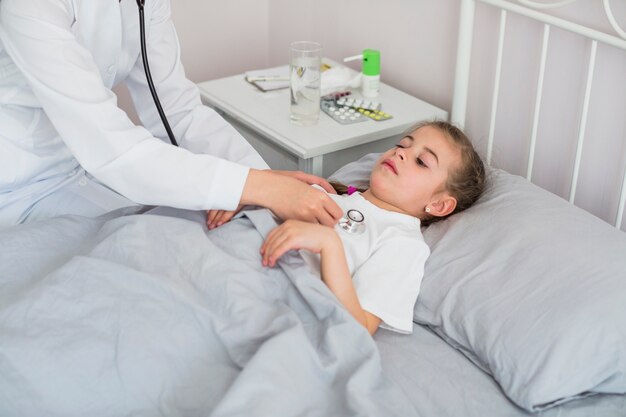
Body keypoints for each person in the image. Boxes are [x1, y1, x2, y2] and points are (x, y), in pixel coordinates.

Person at [0, 0, 342, 227]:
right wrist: (253, 186)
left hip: (86, 173)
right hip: (19, 187)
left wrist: (265, 181)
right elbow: (109, 146)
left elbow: (177, 109)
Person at [258, 121, 486, 335]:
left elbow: (359, 328)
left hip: (268, 291)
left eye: (421, 161)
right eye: (402, 145)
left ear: (438, 205)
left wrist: (329, 244)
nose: (400, 152)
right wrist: (251, 195)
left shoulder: (403, 242)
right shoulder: (329, 194)